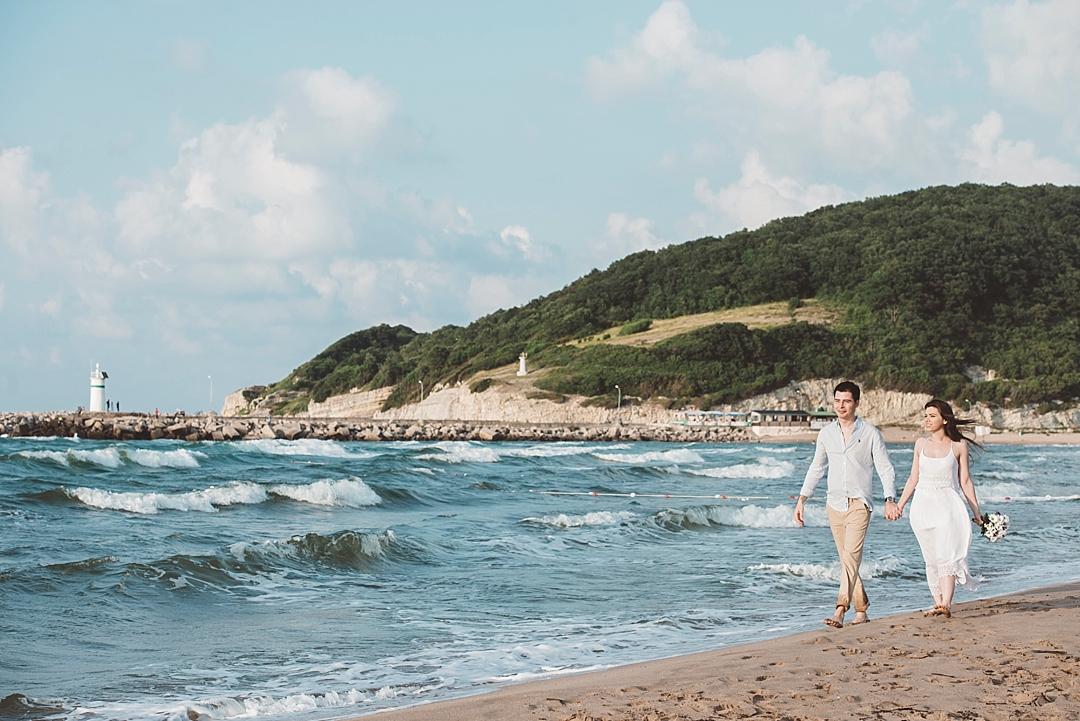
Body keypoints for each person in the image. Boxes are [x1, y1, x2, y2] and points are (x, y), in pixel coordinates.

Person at [794, 381, 898, 628]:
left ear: (856, 403)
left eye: (847, 401)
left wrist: (890, 499)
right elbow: (817, 467)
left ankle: (840, 608)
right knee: (847, 559)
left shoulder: (870, 433)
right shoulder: (826, 434)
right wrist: (802, 499)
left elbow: (885, 468)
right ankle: (861, 610)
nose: (841, 406)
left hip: (860, 503)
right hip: (834, 503)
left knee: (850, 556)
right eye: (837, 401)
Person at [890, 399, 983, 618]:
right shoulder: (920, 444)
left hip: (947, 507)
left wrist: (977, 513)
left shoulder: (958, 446)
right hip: (922, 508)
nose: (927, 420)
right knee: (931, 559)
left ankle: (947, 603)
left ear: (945, 419)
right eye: (926, 416)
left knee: (945, 556)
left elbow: (965, 482)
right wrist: (899, 505)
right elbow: (913, 478)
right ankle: (938, 603)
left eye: (932, 416)